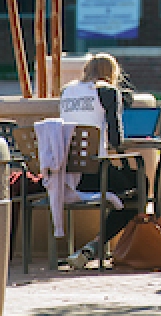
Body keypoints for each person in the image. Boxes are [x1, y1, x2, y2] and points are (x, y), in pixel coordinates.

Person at [60, 53, 140, 270]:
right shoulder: (107, 92)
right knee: (139, 189)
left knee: (128, 185)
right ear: (112, 74)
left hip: (66, 176)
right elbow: (116, 140)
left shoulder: (66, 91)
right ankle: (95, 246)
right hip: (96, 173)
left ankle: (92, 248)